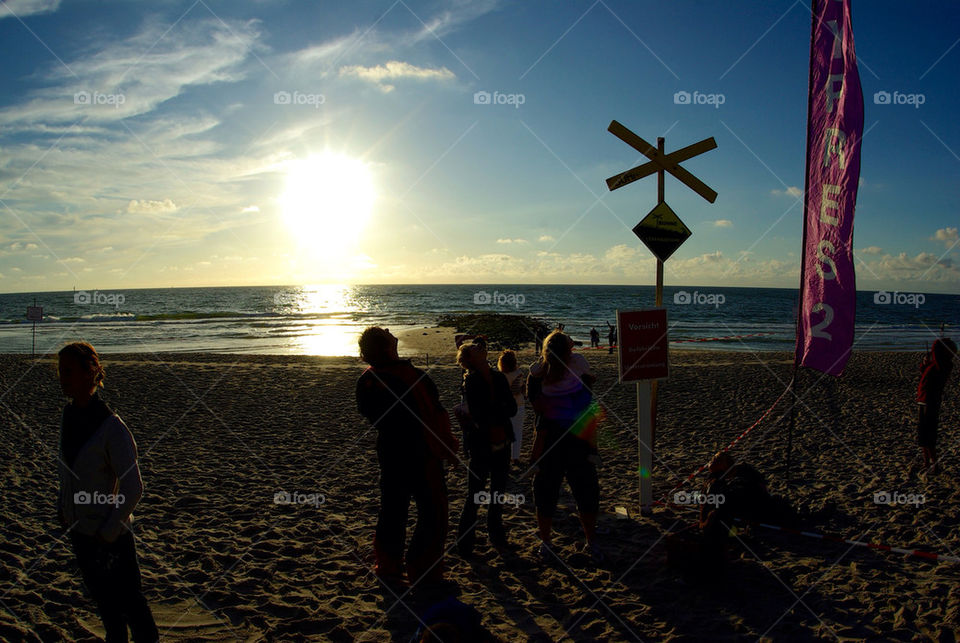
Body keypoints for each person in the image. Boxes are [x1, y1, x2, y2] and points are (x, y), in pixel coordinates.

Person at [57, 342, 159, 643]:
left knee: (132, 605)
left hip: (111, 537)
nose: (63, 378)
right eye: (60, 372)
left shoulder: (112, 427)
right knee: (107, 610)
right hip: (81, 532)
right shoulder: (67, 416)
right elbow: (69, 472)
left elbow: (133, 488)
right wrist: (63, 505)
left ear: (92, 372)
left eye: (70, 371)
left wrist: (108, 532)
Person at [356, 327, 459, 587]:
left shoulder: (367, 380)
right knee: (433, 513)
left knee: (392, 509)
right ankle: (424, 571)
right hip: (421, 454)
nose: (391, 331)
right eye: (385, 332)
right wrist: (448, 447)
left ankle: (388, 565)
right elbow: (435, 416)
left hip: (390, 452)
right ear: (387, 347)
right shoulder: (412, 377)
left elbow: (371, 414)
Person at [527, 330, 603, 562]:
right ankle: (591, 541)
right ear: (569, 349)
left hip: (550, 436)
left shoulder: (539, 372)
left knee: (546, 493)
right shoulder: (579, 363)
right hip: (577, 436)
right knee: (585, 491)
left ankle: (546, 542)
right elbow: (589, 390)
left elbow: (534, 401)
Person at [455, 342, 517, 556]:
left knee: (498, 491)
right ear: (469, 358)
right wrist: (497, 411)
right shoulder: (470, 381)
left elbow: (512, 407)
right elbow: (482, 413)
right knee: (476, 493)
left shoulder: (498, 376)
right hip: (481, 443)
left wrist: (495, 411)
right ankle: (465, 541)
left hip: (501, 440)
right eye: (475, 348)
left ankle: (496, 533)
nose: (481, 348)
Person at [917, 338, 956, 473]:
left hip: (931, 402)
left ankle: (934, 464)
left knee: (929, 435)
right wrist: (924, 363)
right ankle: (926, 462)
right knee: (923, 434)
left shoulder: (944, 364)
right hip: (923, 400)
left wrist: (938, 343)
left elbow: (937, 350)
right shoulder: (936, 364)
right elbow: (925, 373)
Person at [497, 350, 526, 467]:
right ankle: (515, 457)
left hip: (504, 406)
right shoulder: (518, 373)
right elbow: (518, 390)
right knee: (517, 432)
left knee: (504, 433)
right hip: (518, 404)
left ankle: (505, 457)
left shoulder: (499, 375)